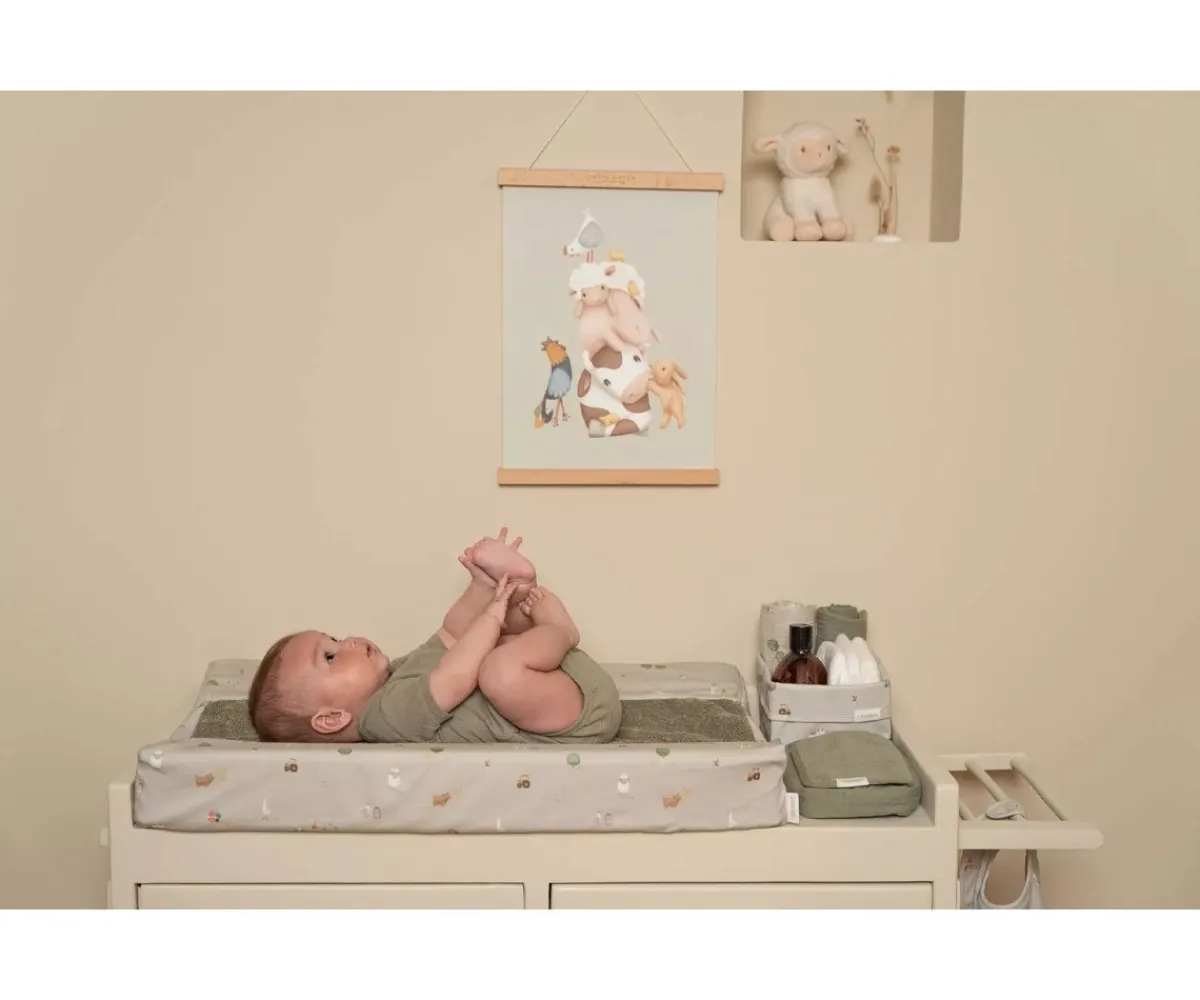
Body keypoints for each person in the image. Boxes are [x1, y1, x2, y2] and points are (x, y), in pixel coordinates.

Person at [247, 527, 622, 745]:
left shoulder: (396, 676)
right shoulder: (382, 719)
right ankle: (561, 631)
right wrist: (493, 614)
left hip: (564, 688)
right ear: (331, 718)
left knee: (485, 641)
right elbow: (456, 677)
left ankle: (511, 585)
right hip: (577, 720)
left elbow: (451, 633)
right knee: (495, 667)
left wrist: (481, 588)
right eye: (330, 657)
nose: (348, 643)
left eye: (336, 638)